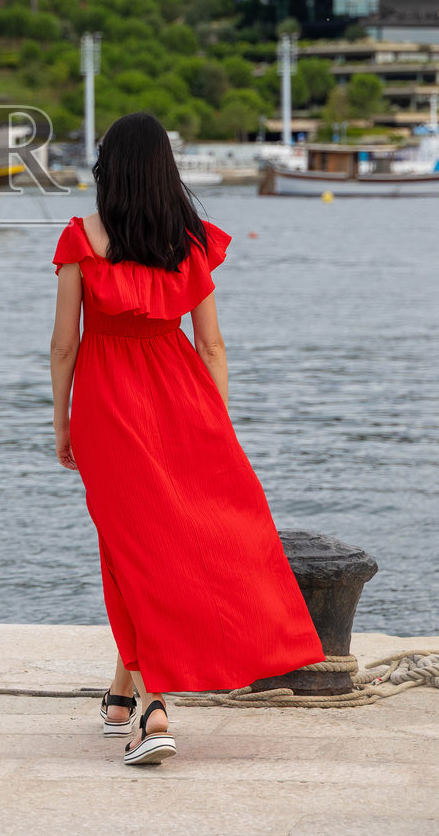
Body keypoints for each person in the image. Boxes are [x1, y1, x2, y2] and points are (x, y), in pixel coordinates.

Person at [49, 112, 323, 766]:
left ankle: (152, 707)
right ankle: (123, 693)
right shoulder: (191, 240)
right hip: (182, 401)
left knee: (131, 548)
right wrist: (215, 429)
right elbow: (211, 346)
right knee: (154, 546)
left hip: (107, 405)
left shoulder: (81, 238)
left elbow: (64, 345)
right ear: (165, 171)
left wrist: (60, 423)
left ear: (107, 172)